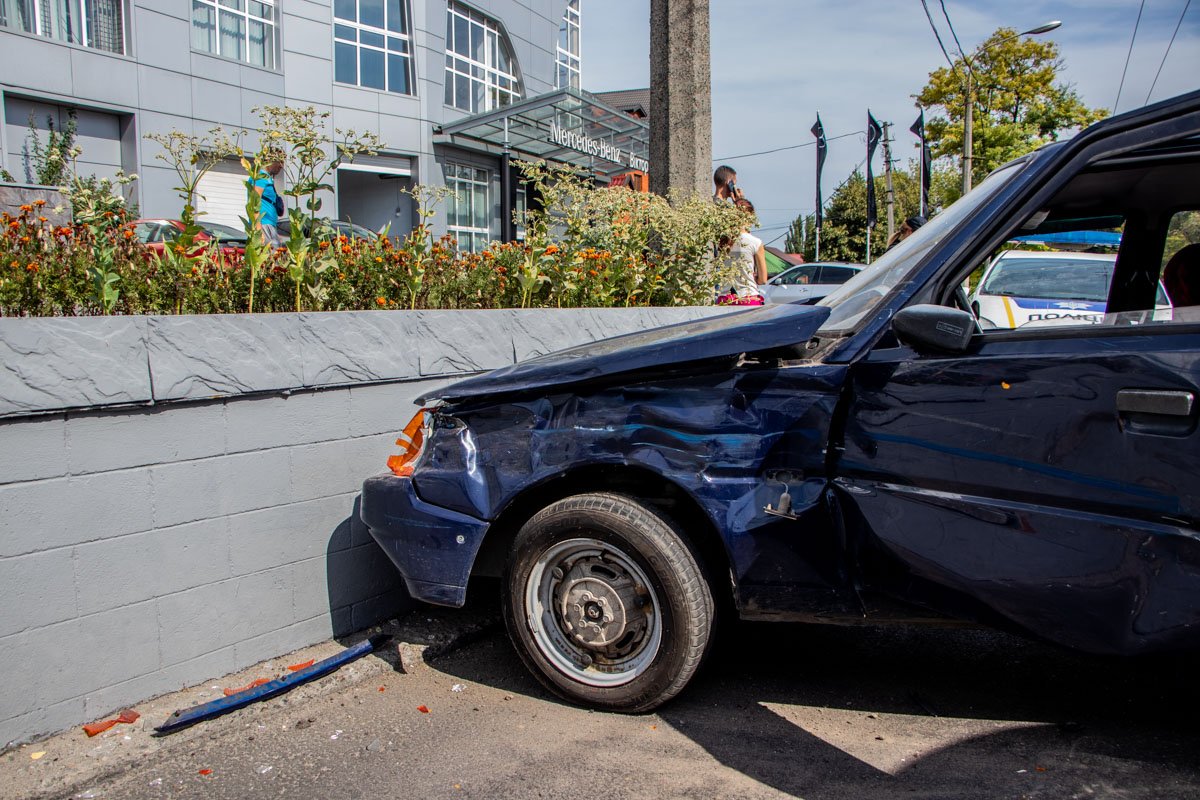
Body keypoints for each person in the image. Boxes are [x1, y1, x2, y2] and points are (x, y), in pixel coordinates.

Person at [716, 198, 768, 305]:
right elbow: (763, 280)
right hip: (748, 297)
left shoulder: (722, 241)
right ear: (750, 217)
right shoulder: (756, 243)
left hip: (725, 298)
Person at [248, 157, 284, 246]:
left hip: (269, 225)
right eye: (280, 161)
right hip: (263, 224)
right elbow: (254, 202)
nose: (281, 166)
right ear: (270, 160)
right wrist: (258, 230)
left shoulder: (267, 178)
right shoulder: (260, 177)